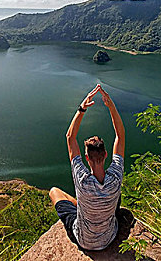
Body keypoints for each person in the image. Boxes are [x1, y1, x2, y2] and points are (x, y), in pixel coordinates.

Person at [49, 84, 125, 251]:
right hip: (110, 238)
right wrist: (111, 106)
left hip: (83, 240)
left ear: (87, 158)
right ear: (106, 155)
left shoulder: (82, 179)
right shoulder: (115, 178)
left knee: (54, 191)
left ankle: (83, 208)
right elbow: (120, 135)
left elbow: (70, 137)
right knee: (117, 198)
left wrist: (82, 109)